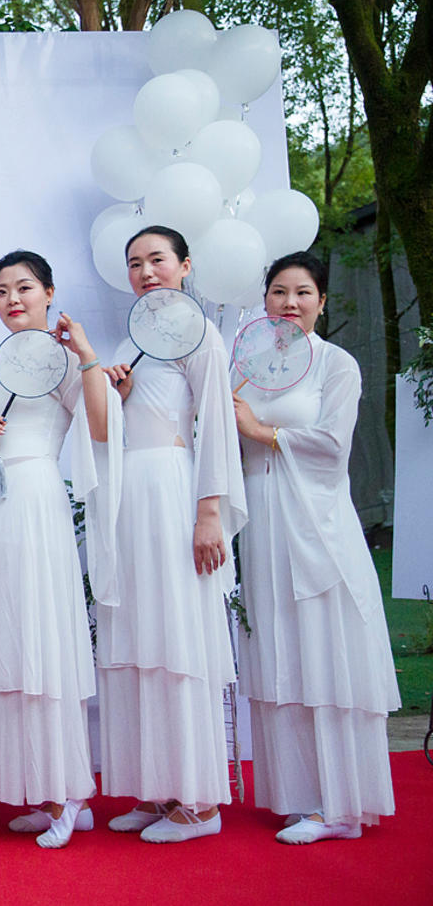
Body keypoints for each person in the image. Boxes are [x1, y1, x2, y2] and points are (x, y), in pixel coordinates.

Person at [232, 252, 399, 843]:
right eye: (278, 291)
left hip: (315, 521)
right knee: (280, 650)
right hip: (261, 523)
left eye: (302, 292)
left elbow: (331, 446)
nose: (289, 303)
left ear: (321, 303)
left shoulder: (336, 364)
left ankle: (341, 806)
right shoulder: (248, 367)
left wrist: (260, 430)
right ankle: (299, 796)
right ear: (265, 301)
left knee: (325, 650)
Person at [0, 251, 120, 848]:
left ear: (49, 293)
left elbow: (101, 427)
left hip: (35, 500)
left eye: (24, 287)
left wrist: (87, 356)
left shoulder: (63, 360)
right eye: (2, 290)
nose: (13, 299)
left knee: (43, 639)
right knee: (8, 641)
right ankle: (44, 788)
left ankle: (71, 791)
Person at [97, 226, 246, 843]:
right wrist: (123, 394)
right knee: (142, 640)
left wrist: (209, 511)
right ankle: (159, 788)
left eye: (157, 259)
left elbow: (216, 424)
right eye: (135, 263)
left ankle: (200, 802)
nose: (146, 272)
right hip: (131, 496)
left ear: (185, 265)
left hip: (175, 493)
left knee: (178, 639)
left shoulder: (199, 333)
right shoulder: (131, 340)